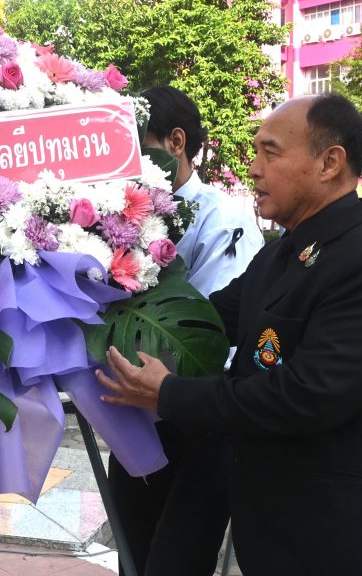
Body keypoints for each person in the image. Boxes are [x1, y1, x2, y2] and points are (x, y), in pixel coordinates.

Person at [98, 93, 362, 575]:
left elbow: (308, 395)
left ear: (328, 163)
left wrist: (168, 394)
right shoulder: (282, 253)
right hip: (276, 525)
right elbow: (204, 321)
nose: (253, 169)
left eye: (269, 153)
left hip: (340, 532)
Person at [108, 85, 263, 576]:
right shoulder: (121, 214)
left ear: (176, 142)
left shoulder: (223, 216)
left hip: (195, 417)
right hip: (136, 411)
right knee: (134, 547)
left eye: (140, 147)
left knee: (177, 559)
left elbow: (211, 333)